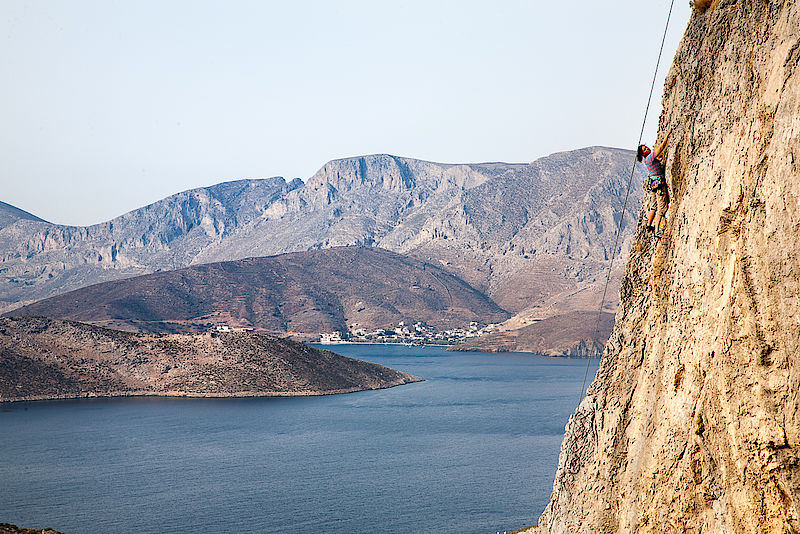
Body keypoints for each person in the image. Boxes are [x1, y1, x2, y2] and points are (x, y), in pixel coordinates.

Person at [637, 127, 672, 239]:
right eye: (645, 149)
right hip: (659, 186)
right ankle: (656, 230)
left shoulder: (648, 160)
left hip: (653, 185)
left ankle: (649, 224)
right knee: (661, 209)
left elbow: (658, 156)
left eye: (646, 147)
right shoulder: (650, 157)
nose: (647, 148)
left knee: (653, 206)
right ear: (644, 153)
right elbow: (661, 147)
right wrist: (667, 134)